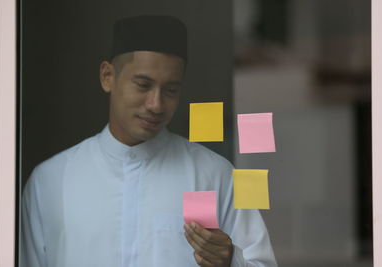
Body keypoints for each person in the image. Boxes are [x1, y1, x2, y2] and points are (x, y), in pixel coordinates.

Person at [21, 15, 277, 267]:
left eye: (170, 90)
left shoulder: (214, 175)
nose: (156, 104)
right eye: (143, 85)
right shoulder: (52, 180)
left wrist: (231, 261)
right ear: (107, 77)